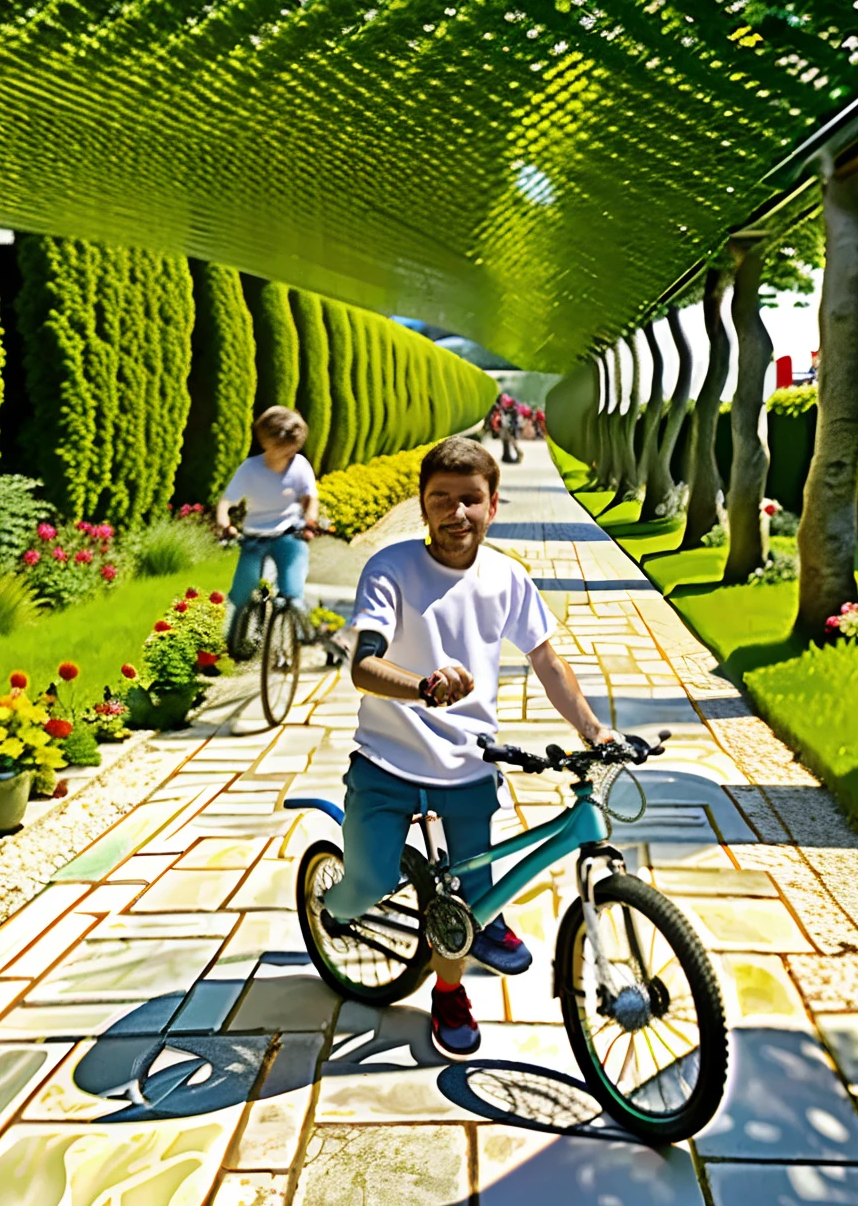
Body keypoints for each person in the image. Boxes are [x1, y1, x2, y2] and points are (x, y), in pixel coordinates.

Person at [321, 436, 613, 1059]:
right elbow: (364, 667)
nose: (457, 514)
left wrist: (593, 729)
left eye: (471, 500)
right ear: (423, 507)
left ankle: (449, 991)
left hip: (469, 766)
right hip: (387, 760)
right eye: (442, 500)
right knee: (367, 884)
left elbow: (545, 658)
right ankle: (332, 902)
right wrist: (423, 687)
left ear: (493, 505)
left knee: (465, 904)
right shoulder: (391, 569)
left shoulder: (507, 576)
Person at [216, 406, 318, 642]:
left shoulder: (300, 465)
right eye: (283, 447)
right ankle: (232, 642)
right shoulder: (250, 468)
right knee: (242, 593)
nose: (288, 453)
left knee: (292, 592)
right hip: (254, 538)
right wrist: (225, 523)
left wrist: (310, 520)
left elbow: (311, 497)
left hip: (289, 536)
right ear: (266, 442)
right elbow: (226, 502)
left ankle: (304, 632)